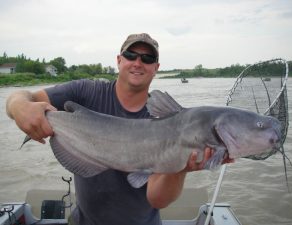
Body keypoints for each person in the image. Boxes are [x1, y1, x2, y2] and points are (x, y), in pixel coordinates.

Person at [6, 33, 228, 225]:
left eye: (147, 58)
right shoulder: (86, 91)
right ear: (119, 60)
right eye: (131, 55)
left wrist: (180, 168)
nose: (138, 62)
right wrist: (20, 106)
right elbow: (22, 98)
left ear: (156, 68)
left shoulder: (168, 119)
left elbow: (157, 200)